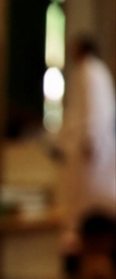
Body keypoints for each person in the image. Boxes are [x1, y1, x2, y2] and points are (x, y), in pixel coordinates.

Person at [58, 35, 116, 253]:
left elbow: (95, 109)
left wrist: (91, 139)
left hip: (93, 150)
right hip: (91, 148)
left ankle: (92, 249)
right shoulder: (90, 71)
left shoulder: (91, 72)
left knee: (92, 204)